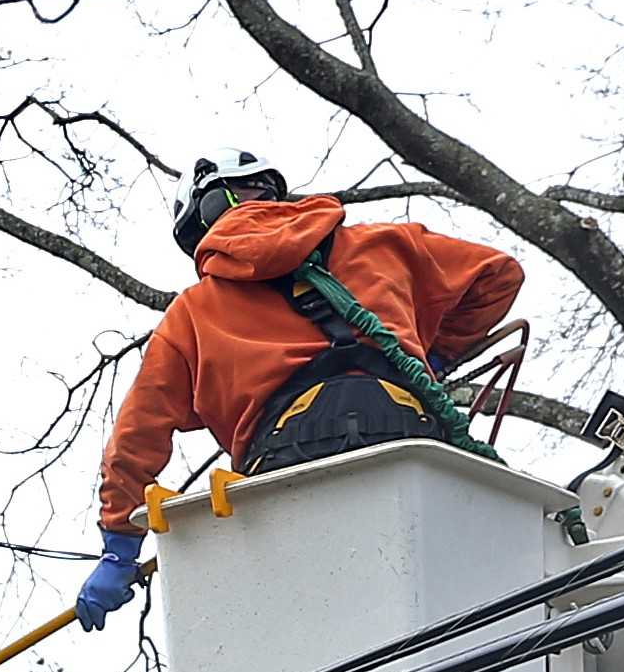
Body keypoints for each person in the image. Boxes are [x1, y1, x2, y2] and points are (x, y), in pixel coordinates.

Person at [72, 150, 526, 632]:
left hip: (283, 474)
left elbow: (137, 435)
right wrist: (427, 361)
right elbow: (498, 275)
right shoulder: (385, 244)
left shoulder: (193, 313)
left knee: (309, 633)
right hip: (410, 438)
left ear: (203, 220)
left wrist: (119, 547)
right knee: (437, 607)